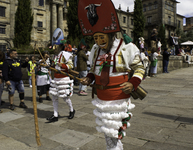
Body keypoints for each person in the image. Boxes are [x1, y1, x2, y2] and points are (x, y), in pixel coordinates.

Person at [78, 0, 145, 149]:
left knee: (113, 133)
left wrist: (133, 83)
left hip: (118, 97)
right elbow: (93, 70)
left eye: (102, 37)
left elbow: (140, 68)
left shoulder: (126, 47)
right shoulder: (95, 50)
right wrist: (88, 78)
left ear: (110, 35)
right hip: (102, 98)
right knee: (109, 134)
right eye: (96, 38)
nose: (99, 41)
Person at [47, 44, 75, 122]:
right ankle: (55, 115)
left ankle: (71, 110)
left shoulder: (66, 55)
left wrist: (62, 65)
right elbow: (54, 67)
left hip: (64, 78)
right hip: (56, 78)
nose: (54, 48)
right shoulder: (55, 56)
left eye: (55, 47)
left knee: (65, 97)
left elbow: (71, 65)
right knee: (54, 97)